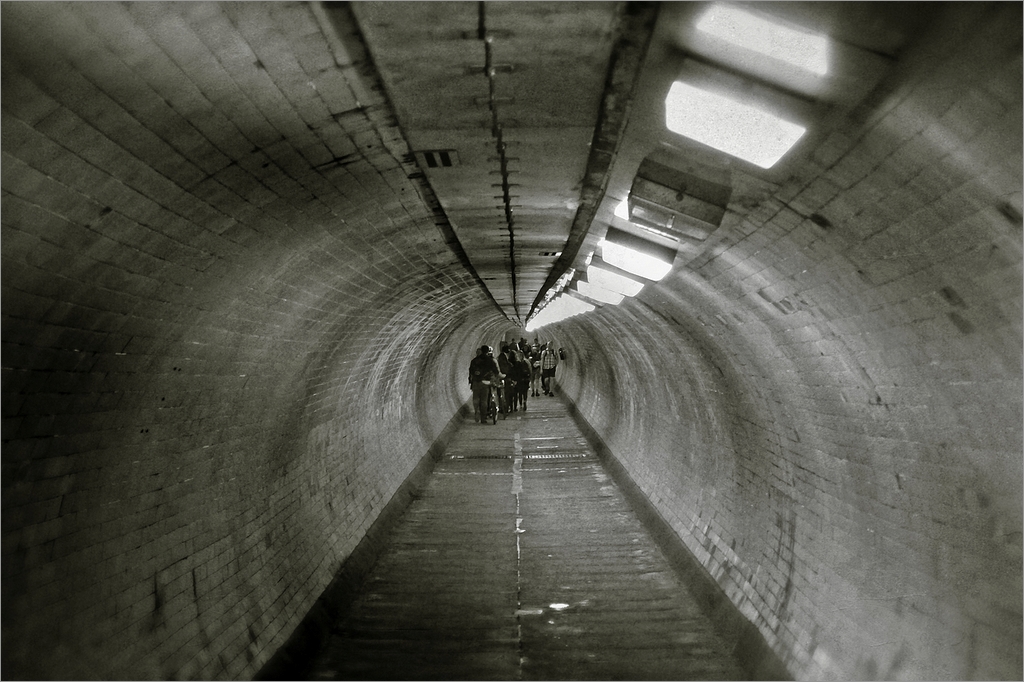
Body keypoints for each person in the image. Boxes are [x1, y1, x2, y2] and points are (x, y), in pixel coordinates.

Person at [468, 345, 501, 424]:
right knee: (484, 400)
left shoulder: (474, 360)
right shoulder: (490, 360)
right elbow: (496, 372)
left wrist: (474, 376)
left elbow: (471, 371)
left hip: (476, 382)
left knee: (476, 398)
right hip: (485, 382)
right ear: (487, 351)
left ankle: (476, 411)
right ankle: (483, 418)